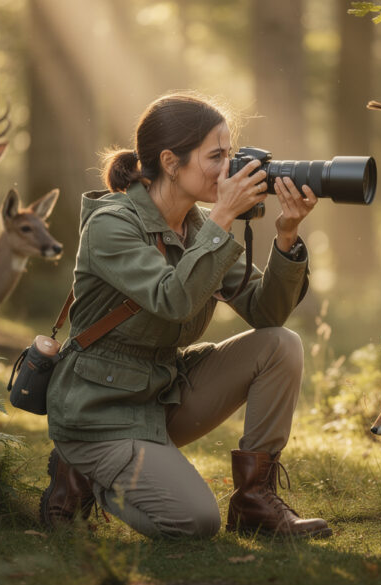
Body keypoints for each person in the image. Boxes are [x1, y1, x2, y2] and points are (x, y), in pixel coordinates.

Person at [39, 92, 331, 539]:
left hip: (162, 393)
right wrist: (224, 217)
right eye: (216, 156)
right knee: (195, 522)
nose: (231, 168)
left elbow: (267, 313)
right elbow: (171, 299)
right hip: (99, 409)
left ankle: (254, 500)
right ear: (171, 163)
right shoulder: (111, 224)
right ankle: (81, 472)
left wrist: (287, 235)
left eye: (230, 153)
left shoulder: (198, 225)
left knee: (281, 345)